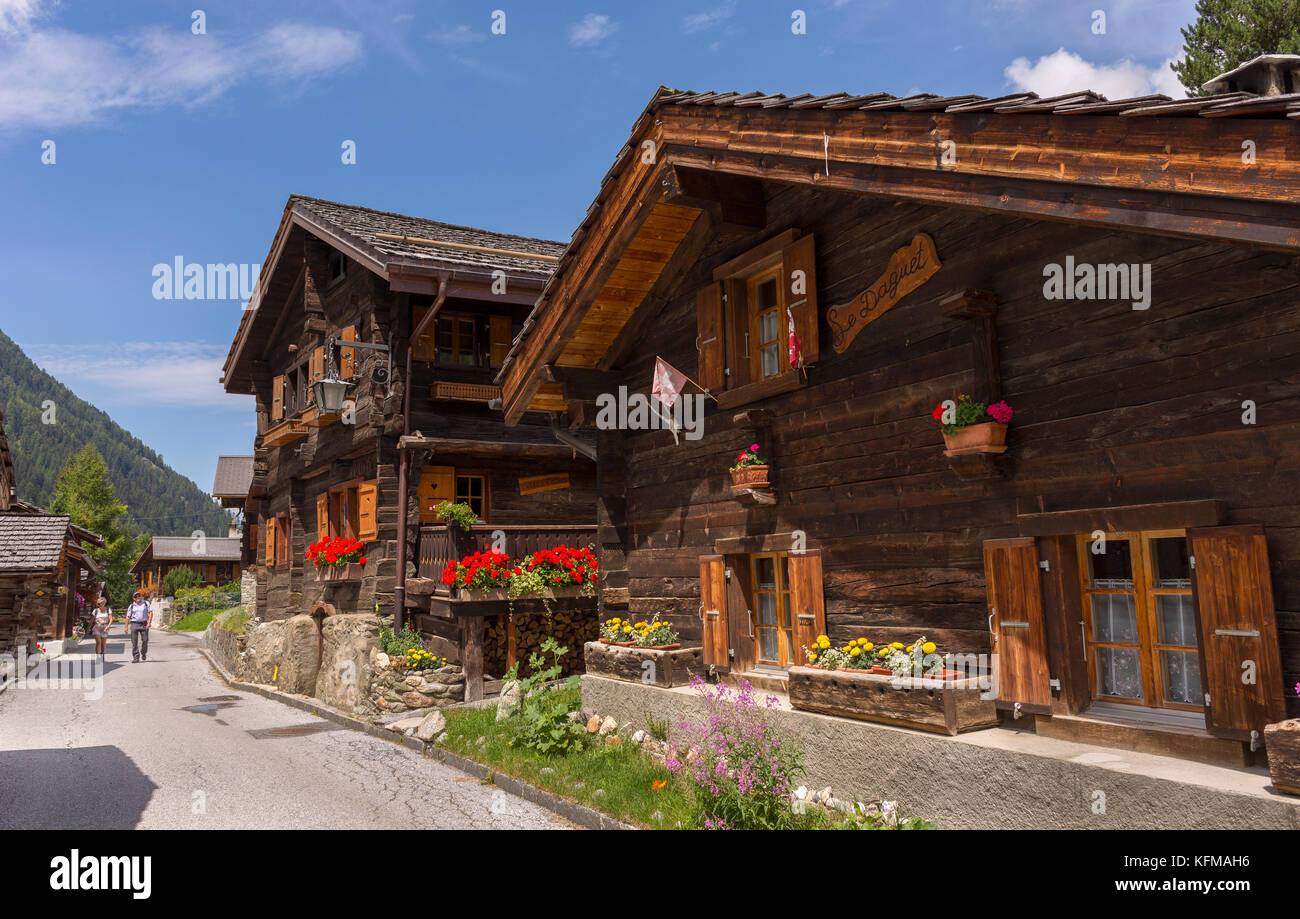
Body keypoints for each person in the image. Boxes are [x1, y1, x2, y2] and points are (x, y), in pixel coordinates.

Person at [124, 591, 152, 662]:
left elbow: (150, 612)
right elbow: (127, 617)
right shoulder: (131, 606)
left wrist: (149, 622)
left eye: (139, 596)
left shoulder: (146, 603)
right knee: (134, 642)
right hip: (134, 624)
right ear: (133, 598)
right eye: (136, 596)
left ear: (141, 596)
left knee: (145, 640)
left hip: (144, 624)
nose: (137, 597)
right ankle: (136, 657)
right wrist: (126, 627)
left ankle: (143, 652)